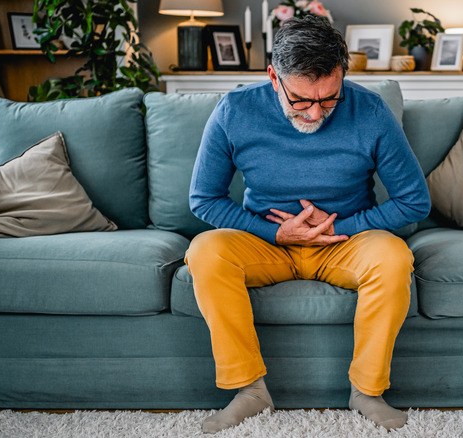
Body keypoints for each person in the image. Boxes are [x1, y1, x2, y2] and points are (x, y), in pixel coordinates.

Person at [185, 16, 431, 434]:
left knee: (393, 256)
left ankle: (367, 392)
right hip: (266, 244)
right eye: (301, 100)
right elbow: (203, 200)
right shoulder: (235, 111)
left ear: (342, 77)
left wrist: (345, 227)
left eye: (329, 98)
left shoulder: (370, 110)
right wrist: (276, 232)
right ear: (273, 77)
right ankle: (250, 391)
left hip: (345, 242)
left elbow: (414, 201)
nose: (316, 112)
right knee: (206, 251)